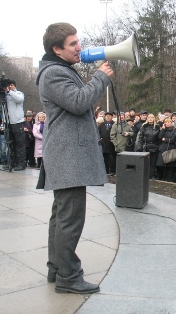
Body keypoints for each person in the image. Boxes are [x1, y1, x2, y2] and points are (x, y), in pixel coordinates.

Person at [36, 22, 113, 294]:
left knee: (61, 217)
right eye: (72, 44)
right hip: (68, 156)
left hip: (66, 154)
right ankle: (69, 277)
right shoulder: (55, 73)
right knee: (70, 218)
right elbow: (79, 102)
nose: (79, 47)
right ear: (57, 49)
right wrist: (100, 78)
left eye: (78, 41)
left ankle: (57, 268)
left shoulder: (57, 70)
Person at [0, 80, 26, 171]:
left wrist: (10, 91)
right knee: (10, 144)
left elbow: (19, 99)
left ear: (15, 86)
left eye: (11, 85)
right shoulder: (4, 94)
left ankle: (21, 163)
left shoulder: (18, 93)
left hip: (18, 122)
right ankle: (11, 162)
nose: (9, 87)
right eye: (8, 86)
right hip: (7, 122)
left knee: (19, 144)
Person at [138, 113, 160, 179]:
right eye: (149, 117)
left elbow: (159, 138)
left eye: (152, 117)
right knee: (146, 162)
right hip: (146, 146)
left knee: (153, 162)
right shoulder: (144, 126)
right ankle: (145, 175)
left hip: (154, 146)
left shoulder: (157, 127)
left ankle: (152, 175)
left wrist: (158, 146)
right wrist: (140, 146)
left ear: (154, 119)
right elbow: (140, 137)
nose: (150, 119)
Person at [156, 117, 176, 182]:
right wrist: (163, 129)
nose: (168, 124)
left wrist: (165, 139)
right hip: (163, 149)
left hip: (170, 149)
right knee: (160, 165)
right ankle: (162, 177)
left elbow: (173, 139)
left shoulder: (174, 130)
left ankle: (170, 178)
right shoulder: (164, 130)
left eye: (169, 122)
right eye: (166, 122)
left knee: (170, 166)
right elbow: (159, 137)